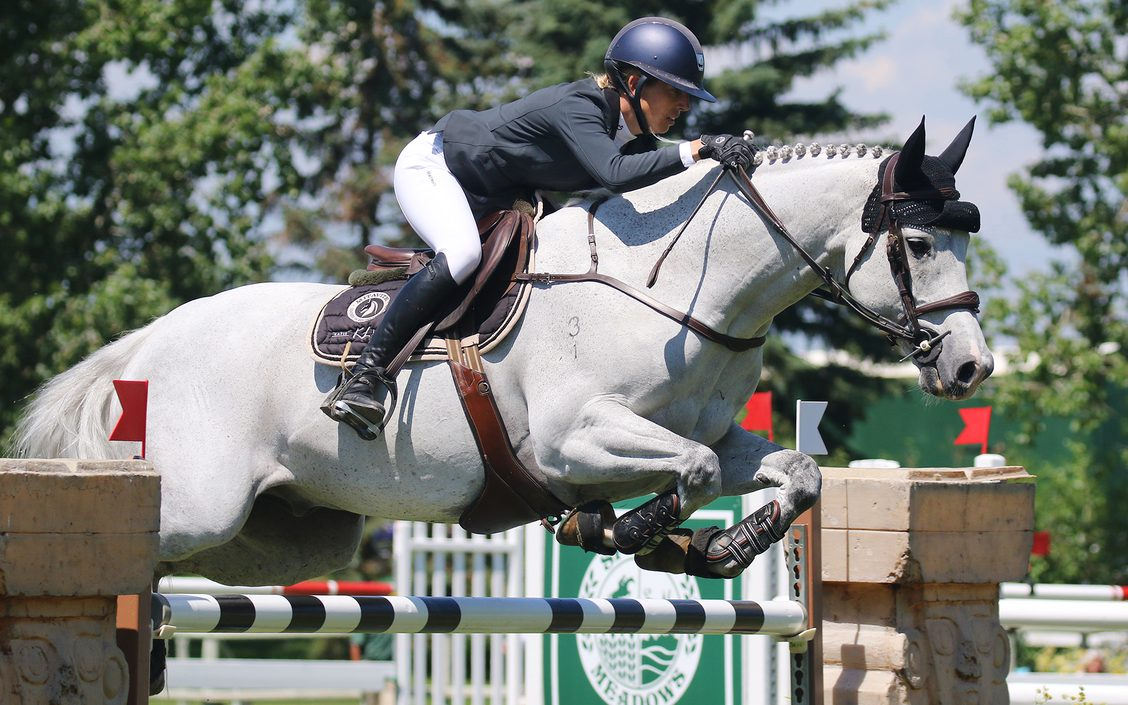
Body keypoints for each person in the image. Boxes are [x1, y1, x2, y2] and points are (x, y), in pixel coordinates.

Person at [322, 16, 757, 440]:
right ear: (632, 81)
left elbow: (658, 178)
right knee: (462, 254)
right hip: (438, 167)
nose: (685, 106)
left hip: (496, 192)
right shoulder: (579, 106)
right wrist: (702, 147)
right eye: (674, 92)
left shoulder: (635, 139)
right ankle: (365, 377)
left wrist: (736, 163)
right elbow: (615, 173)